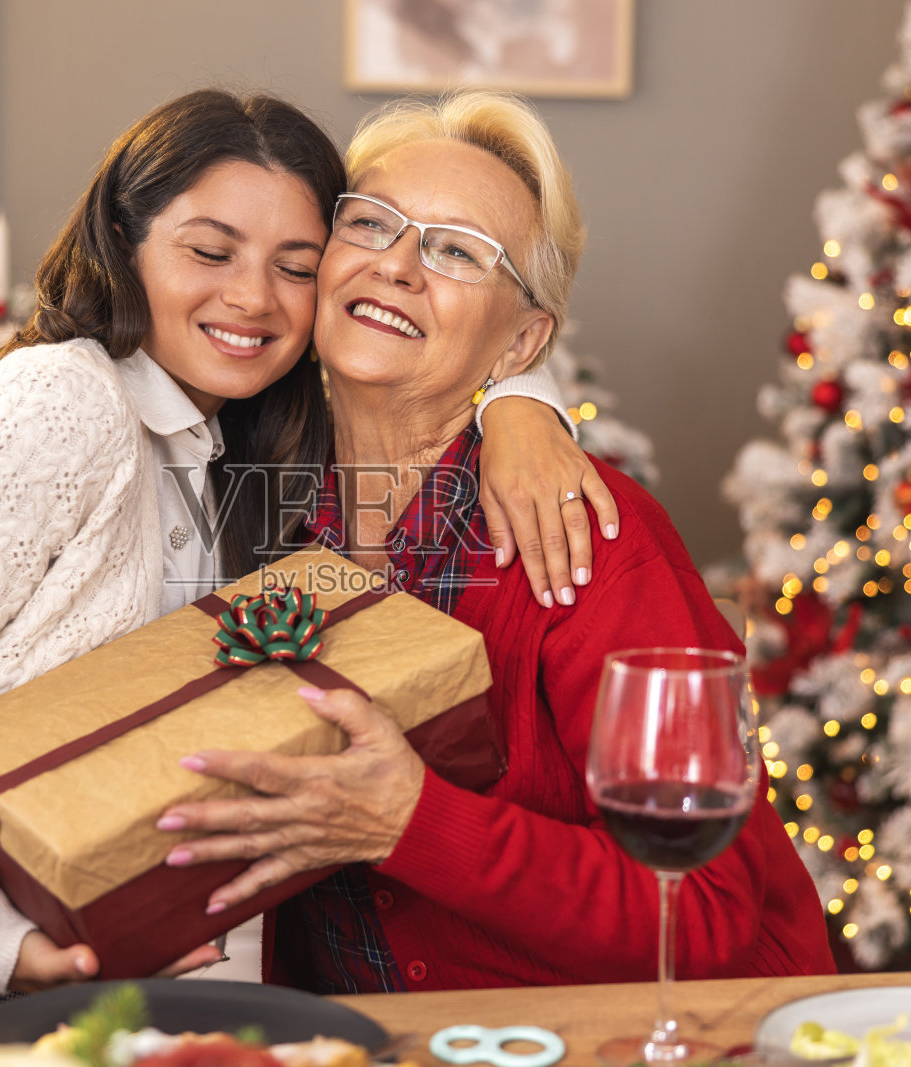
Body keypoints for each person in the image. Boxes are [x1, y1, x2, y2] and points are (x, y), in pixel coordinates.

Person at [0, 88, 610, 1013]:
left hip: (57, 1000)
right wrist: (1, 943)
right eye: (209, 252)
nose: (251, 297)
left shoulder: (249, 451)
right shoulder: (62, 403)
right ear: (124, 244)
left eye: (296, 267)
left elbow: (452, 327)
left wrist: (520, 403)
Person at [157, 90, 837, 991]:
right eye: (371, 225)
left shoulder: (586, 534)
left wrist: (414, 821)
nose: (398, 265)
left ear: (523, 341)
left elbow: (703, 912)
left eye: (457, 250)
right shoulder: (253, 504)